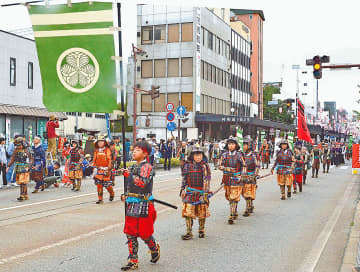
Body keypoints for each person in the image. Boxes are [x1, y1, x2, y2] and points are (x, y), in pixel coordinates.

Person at [119, 140, 160, 271]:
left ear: (145, 153)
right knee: (130, 233)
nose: (134, 152)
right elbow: (130, 185)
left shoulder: (148, 167)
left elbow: (142, 182)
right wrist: (125, 194)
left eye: (137, 150)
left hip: (144, 204)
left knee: (145, 233)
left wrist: (129, 175)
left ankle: (154, 248)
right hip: (132, 203)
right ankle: (133, 260)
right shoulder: (132, 167)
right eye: (134, 150)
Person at [180, 147, 211, 240]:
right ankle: (189, 232)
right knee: (187, 212)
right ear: (192, 156)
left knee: (202, 212)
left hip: (201, 192)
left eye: (200, 154)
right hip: (190, 192)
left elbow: (207, 180)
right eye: (196, 155)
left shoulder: (205, 166)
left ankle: (201, 230)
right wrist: (182, 189)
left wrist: (205, 194)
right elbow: (184, 178)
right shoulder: (187, 165)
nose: (198, 156)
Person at [218, 136, 244, 224]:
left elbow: (244, 166)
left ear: (236, 145)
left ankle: (231, 214)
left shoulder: (239, 155)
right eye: (229, 144)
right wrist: (226, 169)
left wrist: (242, 175)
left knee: (234, 197)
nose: (231, 146)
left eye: (233, 144)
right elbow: (219, 166)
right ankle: (234, 210)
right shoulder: (224, 155)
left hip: (237, 179)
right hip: (227, 179)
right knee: (229, 197)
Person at [7, 136, 31, 201]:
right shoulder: (16, 150)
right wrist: (8, 166)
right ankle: (24, 194)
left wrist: (30, 166)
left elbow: (31, 158)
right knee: (21, 182)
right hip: (18, 167)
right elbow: (12, 158)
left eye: (19, 145)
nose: (18, 146)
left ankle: (23, 195)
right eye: (17, 145)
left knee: (24, 182)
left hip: (25, 167)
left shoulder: (27, 150)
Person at [241, 136, 260, 217]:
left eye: (245, 144)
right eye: (243, 144)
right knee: (244, 193)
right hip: (242, 177)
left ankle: (248, 208)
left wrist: (255, 174)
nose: (244, 146)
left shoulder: (253, 155)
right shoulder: (241, 155)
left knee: (249, 193)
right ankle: (251, 205)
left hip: (251, 176)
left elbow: (257, 165)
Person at [93, 136, 114, 204]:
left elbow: (110, 159)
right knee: (99, 185)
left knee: (107, 185)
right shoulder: (96, 151)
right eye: (99, 142)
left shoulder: (107, 150)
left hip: (106, 170)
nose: (100, 143)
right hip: (99, 170)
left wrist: (108, 168)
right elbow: (94, 160)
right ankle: (100, 199)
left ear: (104, 143)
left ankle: (111, 193)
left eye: (101, 141)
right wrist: (93, 167)